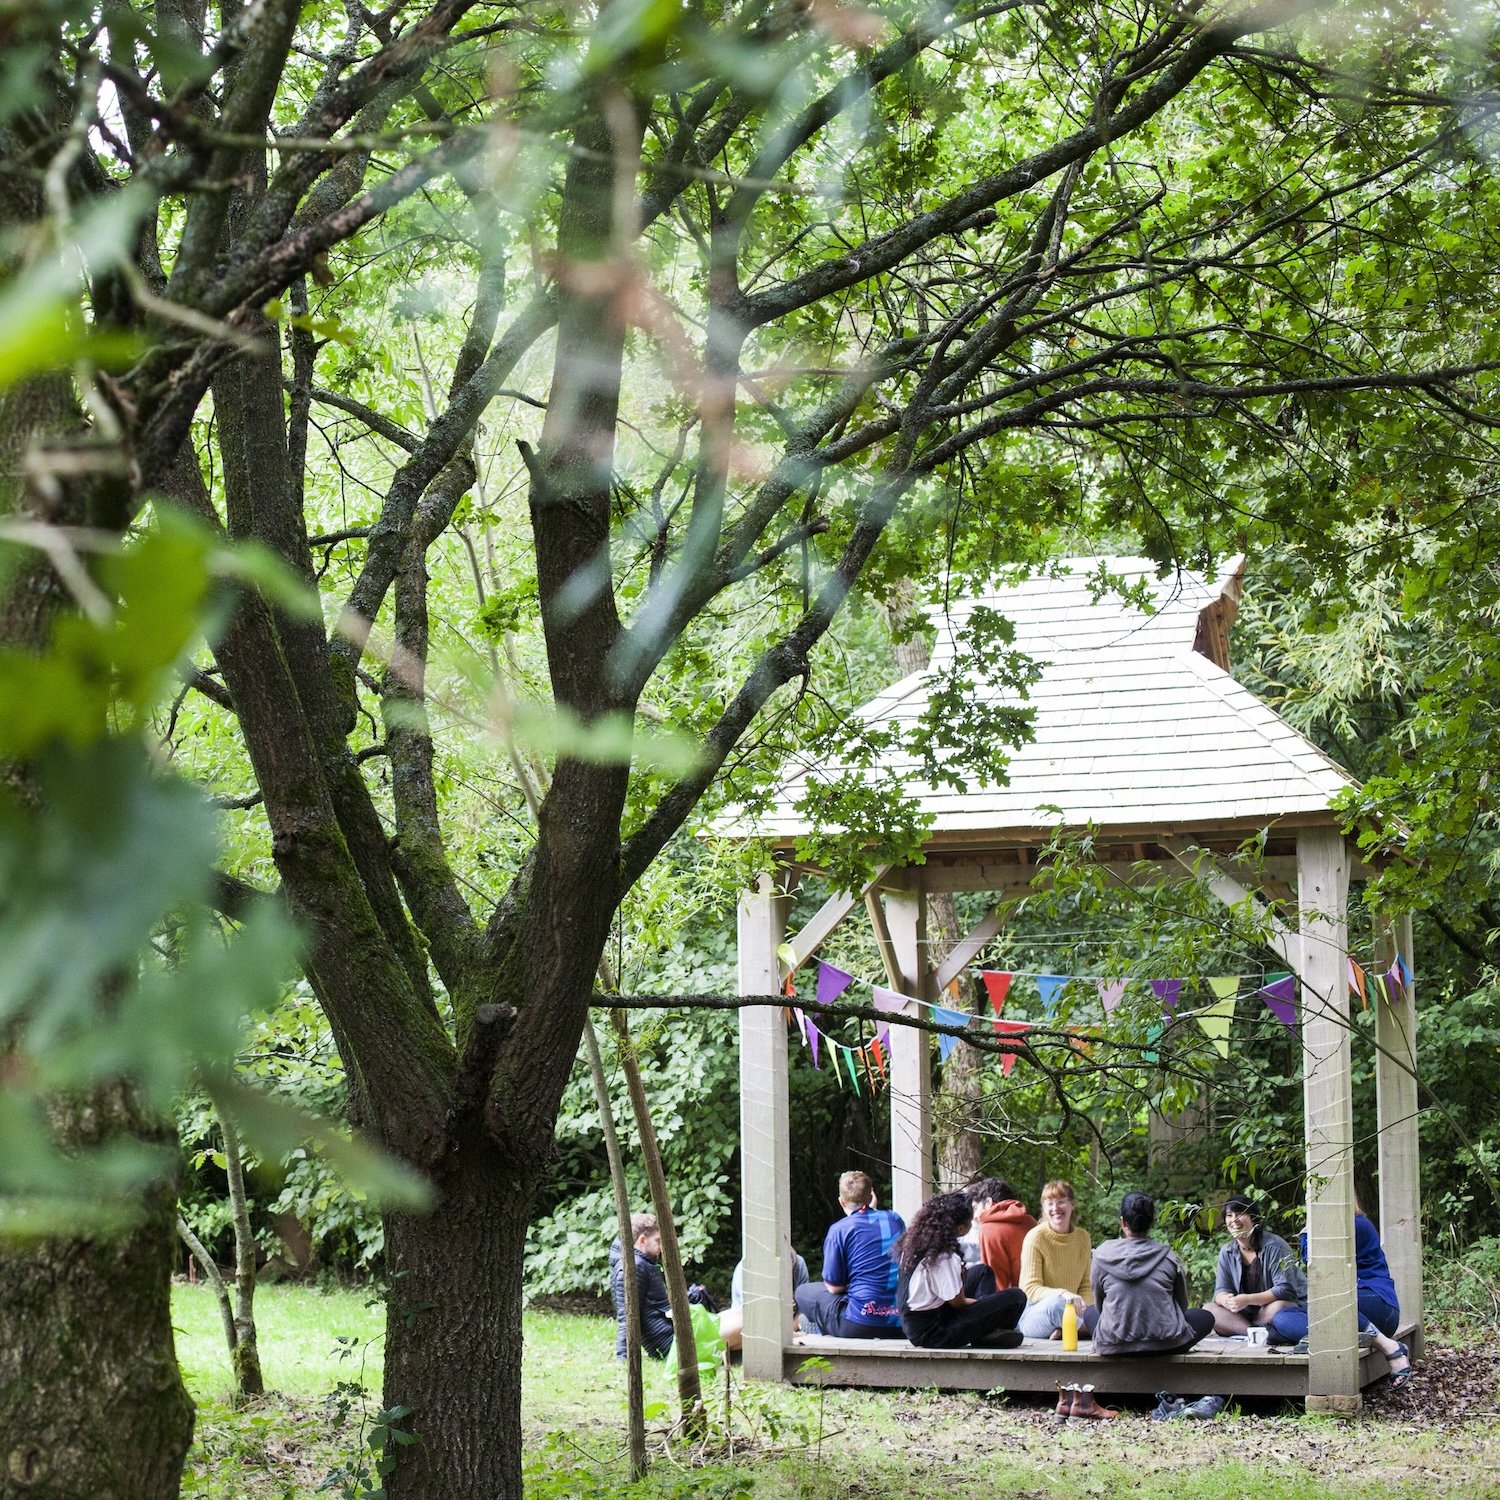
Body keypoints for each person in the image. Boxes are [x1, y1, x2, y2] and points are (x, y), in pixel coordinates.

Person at [1282, 1195, 1412, 1385]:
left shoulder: (1356, 1225)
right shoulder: (1329, 1228)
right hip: (1341, 1310)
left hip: (1377, 1305)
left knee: (1330, 1301)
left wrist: (1310, 1222)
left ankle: (1389, 1346)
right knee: (1281, 1318)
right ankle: (1342, 1336)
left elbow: (1312, 1259)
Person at [895, 1191, 1026, 1348]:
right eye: (970, 1222)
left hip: (922, 1320)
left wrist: (987, 1308)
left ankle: (987, 1331)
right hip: (933, 1332)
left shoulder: (918, 1244)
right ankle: (988, 1330)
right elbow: (959, 1303)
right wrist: (991, 1307)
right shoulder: (943, 1257)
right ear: (961, 1228)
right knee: (1017, 1297)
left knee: (982, 1272)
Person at [1092, 1191, 1215, 1356]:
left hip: (1114, 1345)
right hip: (1166, 1344)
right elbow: (1182, 1305)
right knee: (1205, 1317)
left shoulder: (1101, 1255)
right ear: (1152, 1222)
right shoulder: (1168, 1256)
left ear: (1123, 1222)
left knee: (1090, 1312)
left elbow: (1100, 1305)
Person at [794, 1170, 905, 1338]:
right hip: (901, 1322)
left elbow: (834, 1287)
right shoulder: (894, 1219)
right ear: (871, 1195)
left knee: (803, 1292)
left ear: (841, 1202)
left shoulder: (840, 1229)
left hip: (860, 1324)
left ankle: (818, 1329)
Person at [1204, 1195, 1307, 1338]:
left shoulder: (1275, 1246)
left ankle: (1253, 1332)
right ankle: (1255, 1332)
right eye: (1229, 1215)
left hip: (1277, 1308)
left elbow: (1285, 1290)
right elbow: (1221, 1290)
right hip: (1246, 1315)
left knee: (1278, 1307)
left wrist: (1247, 1299)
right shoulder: (1227, 1251)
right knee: (1209, 1309)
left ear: (1254, 1218)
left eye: (1240, 1214)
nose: (1234, 1220)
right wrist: (1226, 1300)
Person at [1017, 1178, 1098, 1340]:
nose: (1055, 1208)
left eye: (1061, 1202)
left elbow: (1085, 1285)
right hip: (1036, 1314)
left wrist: (1085, 1308)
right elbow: (1030, 1289)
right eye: (1050, 1204)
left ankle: (1071, 1329)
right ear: (1044, 1208)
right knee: (1056, 1305)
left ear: (1072, 1205)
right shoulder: (1036, 1237)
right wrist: (1064, 1294)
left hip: (1073, 1312)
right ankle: (1101, 1331)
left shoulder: (1083, 1237)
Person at [610, 1211, 673, 1359]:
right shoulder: (633, 1267)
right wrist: (623, 1359)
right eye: (657, 1241)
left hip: (671, 1333)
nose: (661, 1247)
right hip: (667, 1343)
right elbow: (627, 1318)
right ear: (642, 1240)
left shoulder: (642, 1263)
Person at [720, 1247, 810, 1350]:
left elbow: (803, 1307)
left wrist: (789, 1332)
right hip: (750, 1325)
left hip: (789, 1323)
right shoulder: (745, 1268)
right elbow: (753, 1313)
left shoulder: (799, 1263)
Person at [966, 1177, 1036, 1291]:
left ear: (988, 1203)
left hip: (1015, 1301)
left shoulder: (988, 1229)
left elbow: (997, 1283)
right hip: (1040, 1294)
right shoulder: (1030, 1221)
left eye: (975, 1208)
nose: (975, 1216)